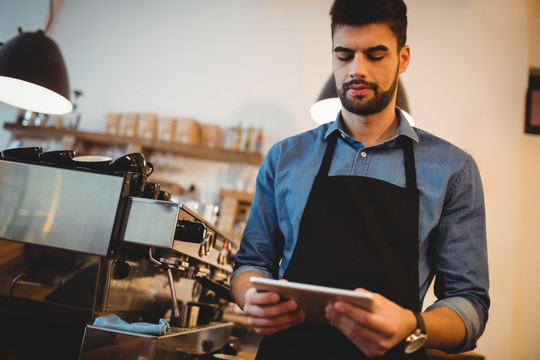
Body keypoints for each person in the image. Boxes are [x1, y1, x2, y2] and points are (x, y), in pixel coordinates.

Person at [230, 0, 490, 358]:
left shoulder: (453, 170)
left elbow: (469, 302)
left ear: (403, 58)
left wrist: (413, 326)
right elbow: (251, 263)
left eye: (375, 55)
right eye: (344, 55)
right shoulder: (284, 158)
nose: (357, 69)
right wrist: (250, 297)